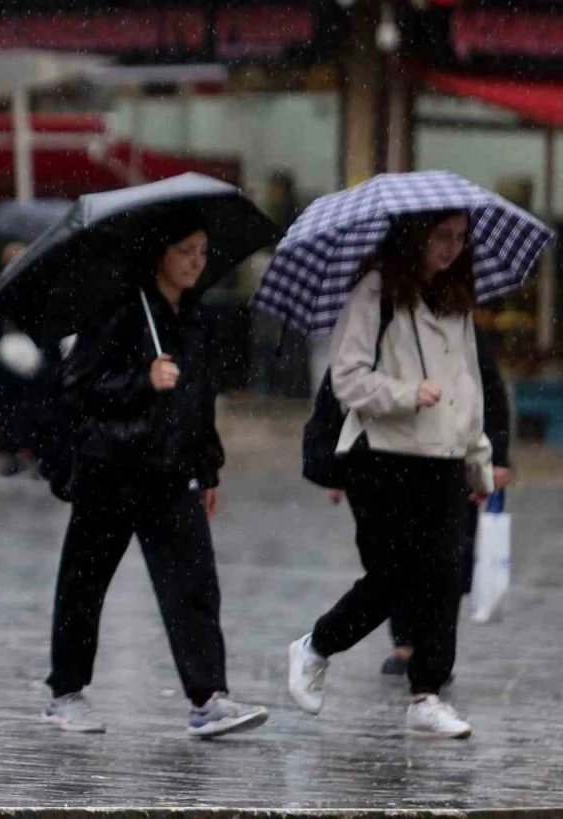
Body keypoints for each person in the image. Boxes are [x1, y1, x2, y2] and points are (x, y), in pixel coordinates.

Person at [39, 217, 269, 738]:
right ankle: (65, 693)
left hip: (172, 472)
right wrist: (141, 380)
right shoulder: (121, 309)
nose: (195, 261)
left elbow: (198, 399)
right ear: (160, 254)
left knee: (194, 586)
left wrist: (209, 466)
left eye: (203, 250)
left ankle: (209, 697)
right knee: (85, 583)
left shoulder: (192, 317)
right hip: (112, 471)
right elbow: (77, 387)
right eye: (185, 249)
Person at [288, 210, 494, 739]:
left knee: (444, 578)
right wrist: (406, 394)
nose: (451, 248)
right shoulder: (375, 292)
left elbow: (467, 383)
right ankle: (316, 646)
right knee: (394, 578)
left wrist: (478, 455)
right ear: (415, 236)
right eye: (441, 236)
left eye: (459, 238)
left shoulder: (455, 299)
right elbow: (347, 379)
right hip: (384, 457)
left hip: (444, 458)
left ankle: (427, 693)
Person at [330, 327, 513, 675]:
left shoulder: (460, 325)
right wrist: (335, 465)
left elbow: (484, 393)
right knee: (396, 558)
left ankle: (431, 662)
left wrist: (495, 457)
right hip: (390, 457)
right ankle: (404, 643)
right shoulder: (379, 320)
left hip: (450, 458)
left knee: (447, 561)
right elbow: (342, 393)